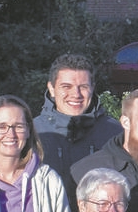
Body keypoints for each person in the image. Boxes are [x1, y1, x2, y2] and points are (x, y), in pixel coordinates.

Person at [33, 54, 124, 199]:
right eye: (66, 86)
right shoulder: (32, 133)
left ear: (93, 88)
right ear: (51, 88)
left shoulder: (115, 133)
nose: (76, 94)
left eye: (83, 87)